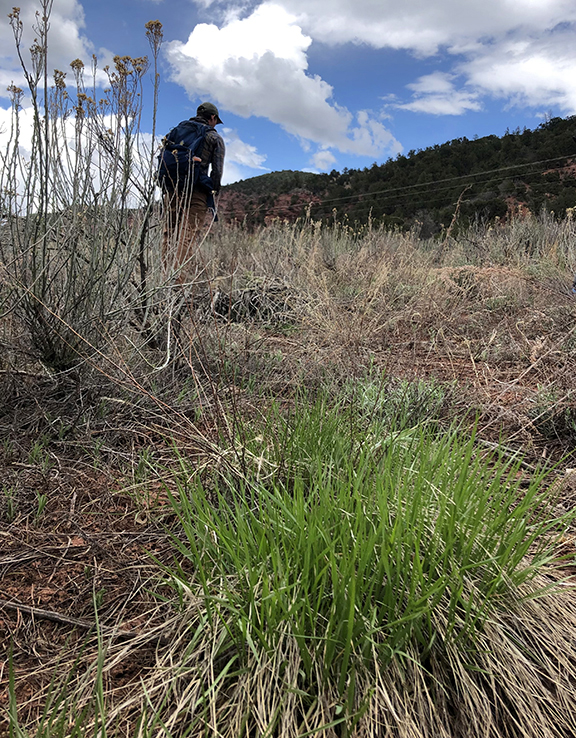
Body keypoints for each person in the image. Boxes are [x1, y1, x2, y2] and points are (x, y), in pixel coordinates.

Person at [161, 102, 226, 282]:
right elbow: (217, 171)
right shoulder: (214, 137)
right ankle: (177, 282)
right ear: (212, 118)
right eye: (215, 120)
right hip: (196, 191)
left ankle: (163, 276)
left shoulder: (178, 130)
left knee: (169, 232)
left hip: (172, 187)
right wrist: (213, 191)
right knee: (186, 235)